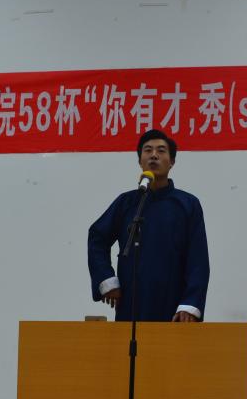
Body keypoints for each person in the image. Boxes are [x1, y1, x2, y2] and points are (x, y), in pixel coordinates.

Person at [88, 129, 209, 322]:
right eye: (148, 150)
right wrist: (106, 280)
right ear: (140, 161)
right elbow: (97, 237)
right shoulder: (126, 203)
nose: (154, 155)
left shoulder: (187, 204)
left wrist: (190, 303)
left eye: (161, 150)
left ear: (172, 162)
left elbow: (198, 259)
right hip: (130, 303)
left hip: (174, 308)